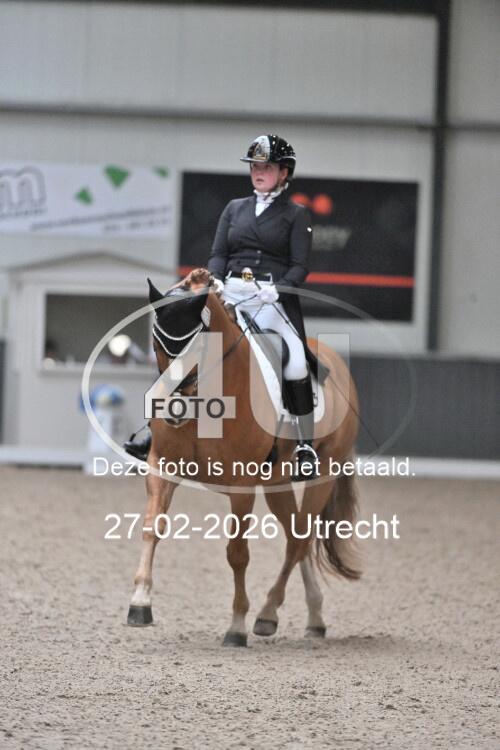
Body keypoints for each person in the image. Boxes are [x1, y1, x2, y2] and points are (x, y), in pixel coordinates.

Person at [207, 134, 325, 480]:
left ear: (284, 172)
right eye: (255, 167)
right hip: (230, 292)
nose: (258, 172)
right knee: (190, 343)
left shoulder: (296, 214)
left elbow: (300, 266)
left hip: (269, 297)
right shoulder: (234, 208)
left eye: (267, 167)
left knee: (295, 360)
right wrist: (215, 280)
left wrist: (279, 289)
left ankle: (304, 446)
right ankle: (159, 427)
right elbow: (218, 253)